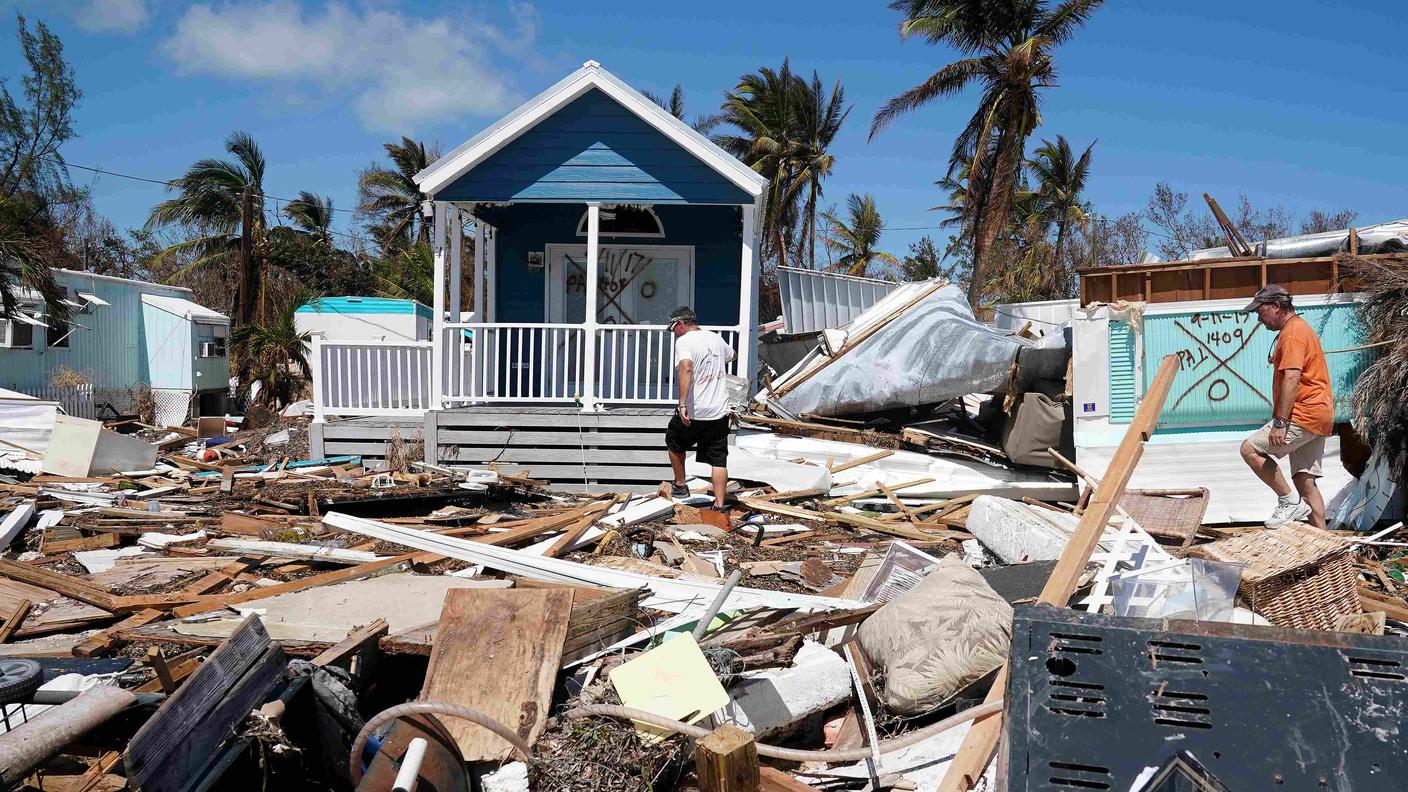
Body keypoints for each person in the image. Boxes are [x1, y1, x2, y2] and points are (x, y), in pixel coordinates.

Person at [1238, 285, 1334, 528]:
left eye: (1260, 312)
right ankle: (1323, 548)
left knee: (1249, 450)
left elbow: (1292, 377)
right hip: (1318, 414)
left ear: (1276, 307)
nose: (1258, 319)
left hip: (1303, 413)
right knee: (1305, 481)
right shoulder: (1298, 329)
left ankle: (1288, 501)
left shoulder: (1292, 333)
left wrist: (1281, 422)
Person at [664, 306, 735, 509]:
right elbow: (732, 355)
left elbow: (686, 367)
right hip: (719, 411)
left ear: (681, 324)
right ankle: (720, 506)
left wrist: (682, 404)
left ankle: (680, 485)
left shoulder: (684, 341)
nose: (674, 333)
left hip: (696, 410)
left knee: (674, 440)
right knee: (719, 459)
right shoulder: (716, 338)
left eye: (674, 328)